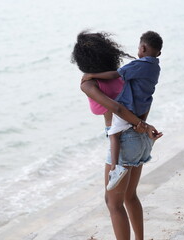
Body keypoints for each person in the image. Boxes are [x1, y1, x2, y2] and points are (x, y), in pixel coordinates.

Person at [71, 31, 162, 240]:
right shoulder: (123, 74)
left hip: (125, 139)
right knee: (130, 196)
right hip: (140, 139)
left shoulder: (89, 83)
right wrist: (144, 125)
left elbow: (116, 109)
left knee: (113, 203)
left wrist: (140, 125)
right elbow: (145, 96)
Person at [82, 31, 163, 192]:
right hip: (140, 117)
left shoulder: (139, 64)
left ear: (143, 48)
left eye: (139, 47)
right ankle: (120, 162)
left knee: (113, 134)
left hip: (129, 117)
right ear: (159, 53)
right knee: (131, 196)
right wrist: (143, 124)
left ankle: (115, 168)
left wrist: (91, 74)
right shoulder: (155, 68)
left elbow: (116, 76)